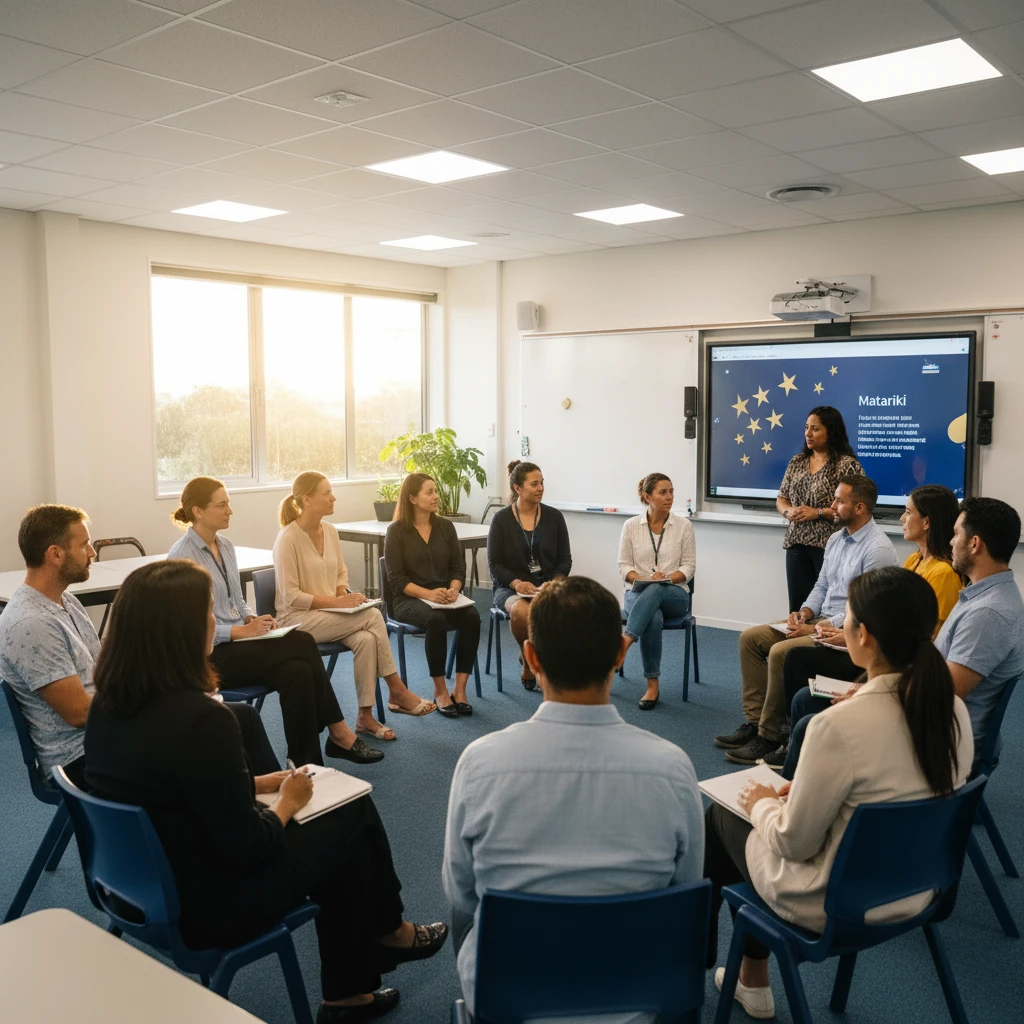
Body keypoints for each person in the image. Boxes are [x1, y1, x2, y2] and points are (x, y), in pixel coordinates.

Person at [83, 560, 448, 1024]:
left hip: (137, 884)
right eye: (207, 613)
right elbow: (250, 846)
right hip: (210, 904)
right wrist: (289, 801)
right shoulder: (204, 720)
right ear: (183, 632)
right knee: (352, 815)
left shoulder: (108, 708)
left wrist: (254, 783)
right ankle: (380, 943)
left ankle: (359, 977)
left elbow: (168, 790)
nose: (215, 621)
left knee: (342, 835)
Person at [705, 567, 973, 1020]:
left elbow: (793, 842)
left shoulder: (837, 726)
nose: (841, 624)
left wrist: (764, 804)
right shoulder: (953, 709)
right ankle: (743, 974)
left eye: (846, 617)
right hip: (917, 890)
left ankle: (734, 973)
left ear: (864, 635)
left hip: (834, 904)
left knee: (722, 814)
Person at [443, 576, 704, 1017]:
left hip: (511, 1000)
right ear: (622, 654)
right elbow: (685, 891)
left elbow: (462, 894)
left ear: (531, 658)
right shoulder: (674, 769)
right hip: (636, 1001)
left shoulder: (479, 765)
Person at [0, 504, 279, 789]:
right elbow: (79, 713)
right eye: (84, 545)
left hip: (111, 731)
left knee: (241, 716)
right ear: (55, 555)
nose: (93, 552)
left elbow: (101, 674)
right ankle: (249, 805)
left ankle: (258, 801)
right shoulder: (30, 623)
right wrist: (157, 704)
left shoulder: (64, 600)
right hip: (83, 754)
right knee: (213, 726)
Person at [169, 477, 382, 766]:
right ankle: (339, 732)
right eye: (221, 505)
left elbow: (237, 600)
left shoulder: (227, 546)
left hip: (242, 643)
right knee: (302, 642)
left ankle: (306, 764)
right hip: (210, 657)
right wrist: (240, 631)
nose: (229, 510)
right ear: (198, 511)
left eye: (228, 503)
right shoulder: (182, 557)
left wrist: (253, 618)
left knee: (298, 672)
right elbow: (187, 629)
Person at [776, 484, 964, 774]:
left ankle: (797, 768)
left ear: (926, 522)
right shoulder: (914, 561)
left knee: (801, 692)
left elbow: (921, 645)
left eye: (907, 512)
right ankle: (788, 751)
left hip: (899, 681)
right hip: (884, 670)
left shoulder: (942, 575)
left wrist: (865, 688)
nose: (901, 518)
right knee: (803, 697)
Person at [717, 475, 898, 765]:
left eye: (840, 500)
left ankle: (770, 735)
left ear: (860, 508)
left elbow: (862, 610)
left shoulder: (878, 549)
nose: (832, 505)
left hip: (845, 629)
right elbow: (822, 586)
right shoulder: (837, 538)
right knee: (750, 638)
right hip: (820, 620)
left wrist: (816, 626)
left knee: (780, 652)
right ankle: (754, 725)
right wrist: (804, 612)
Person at [273, 472, 435, 743]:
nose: (333, 497)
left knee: (365, 639)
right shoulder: (287, 538)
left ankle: (364, 717)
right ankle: (397, 689)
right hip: (298, 619)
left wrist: (342, 596)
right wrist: (339, 603)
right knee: (372, 616)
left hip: (330, 615)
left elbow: (340, 573)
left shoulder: (330, 531)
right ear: (307, 499)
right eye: (326, 493)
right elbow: (291, 597)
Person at [935, 496, 1024, 771]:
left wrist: (876, 695)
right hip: (942, 727)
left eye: (956, 534)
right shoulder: (987, 596)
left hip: (943, 744)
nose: (950, 542)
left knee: (815, 719)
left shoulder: (987, 613)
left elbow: (941, 696)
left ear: (975, 544)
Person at [384, 474, 481, 718]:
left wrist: (454, 589)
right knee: (435, 620)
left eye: (435, 491)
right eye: (429, 492)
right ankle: (440, 691)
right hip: (408, 600)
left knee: (472, 617)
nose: (436, 496)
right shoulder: (395, 531)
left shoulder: (445, 527)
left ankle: (460, 690)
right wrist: (429, 594)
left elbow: (458, 567)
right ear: (412, 499)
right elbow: (396, 578)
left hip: (444, 596)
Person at [486, 460, 571, 690]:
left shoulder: (554, 517)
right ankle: (530, 661)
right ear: (517, 489)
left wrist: (554, 584)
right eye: (534, 484)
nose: (541, 488)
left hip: (547, 586)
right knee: (523, 612)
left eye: (542, 482)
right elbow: (495, 564)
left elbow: (565, 560)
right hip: (509, 588)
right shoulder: (501, 520)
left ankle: (537, 661)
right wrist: (516, 583)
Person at [617, 472, 696, 709]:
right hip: (637, 593)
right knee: (653, 615)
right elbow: (624, 567)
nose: (669, 497)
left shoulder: (684, 525)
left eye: (671, 491)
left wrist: (667, 579)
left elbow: (689, 567)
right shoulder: (630, 526)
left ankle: (625, 641)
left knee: (657, 590)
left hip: (675, 595)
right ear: (647, 497)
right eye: (663, 492)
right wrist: (644, 578)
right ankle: (652, 685)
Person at [776, 406, 862, 612]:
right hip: (796, 544)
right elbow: (781, 498)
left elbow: (855, 508)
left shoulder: (846, 465)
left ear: (831, 432)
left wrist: (817, 512)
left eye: (815, 429)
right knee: (798, 608)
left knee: (828, 607)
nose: (808, 433)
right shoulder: (797, 461)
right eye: (806, 428)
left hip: (830, 546)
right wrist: (789, 512)